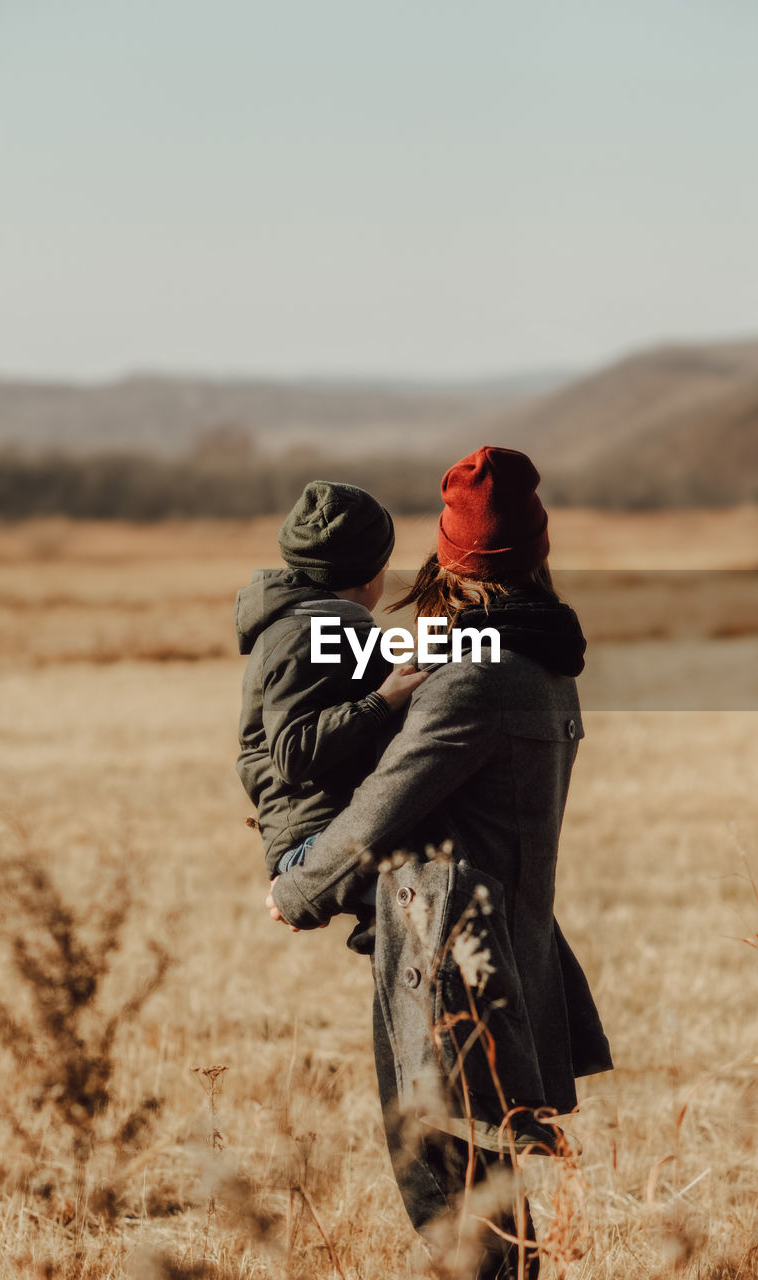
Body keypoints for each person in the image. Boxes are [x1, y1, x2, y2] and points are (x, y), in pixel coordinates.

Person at [267, 447, 613, 1278]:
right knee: (476, 1185)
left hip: (446, 961)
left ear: (450, 555)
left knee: (447, 1187)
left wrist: (297, 889)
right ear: (539, 553)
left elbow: (381, 810)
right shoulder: (544, 662)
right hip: (501, 944)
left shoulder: (472, 679)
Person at [236, 479, 427, 886]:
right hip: (314, 839)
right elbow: (294, 752)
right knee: (446, 888)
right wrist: (380, 702)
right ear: (371, 576)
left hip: (335, 828)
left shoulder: (328, 628)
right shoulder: (303, 635)